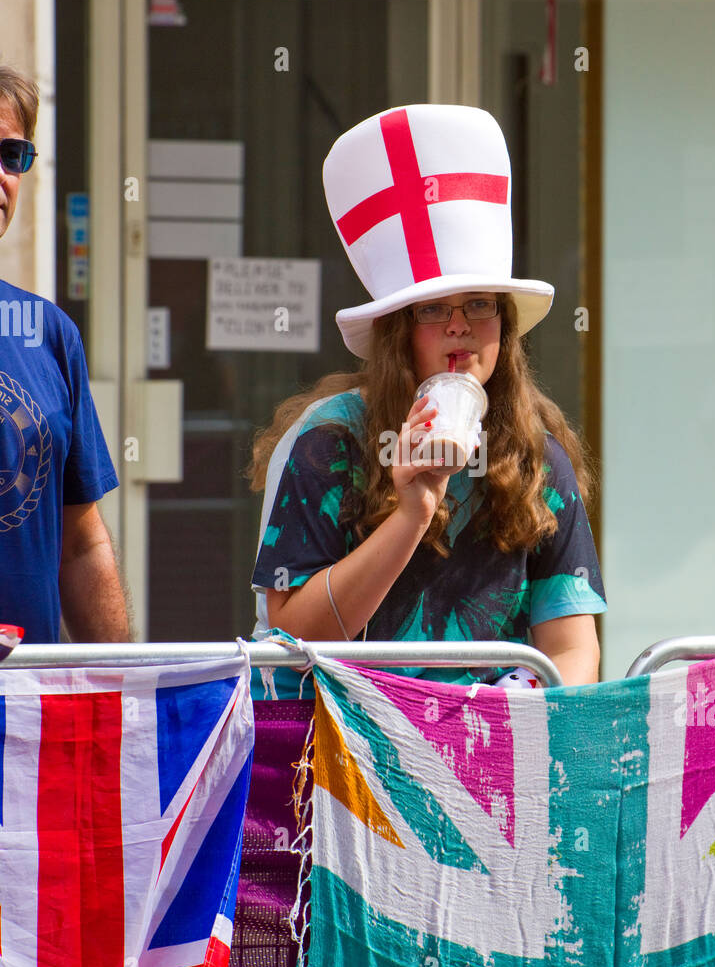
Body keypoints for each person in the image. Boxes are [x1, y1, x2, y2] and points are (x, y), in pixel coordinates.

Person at [249, 103, 605, 697]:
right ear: (396, 333)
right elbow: (295, 638)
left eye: (480, 305)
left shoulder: (537, 456)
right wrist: (412, 513)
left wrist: (532, 720)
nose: (459, 327)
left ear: (505, 326)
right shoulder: (327, 443)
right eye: (433, 310)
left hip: (490, 756)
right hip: (340, 759)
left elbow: (571, 646)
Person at [0, 65, 130, 642]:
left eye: (12, 155)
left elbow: (81, 544)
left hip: (30, 708)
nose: (0, 175)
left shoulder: (47, 333)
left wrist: (124, 691)